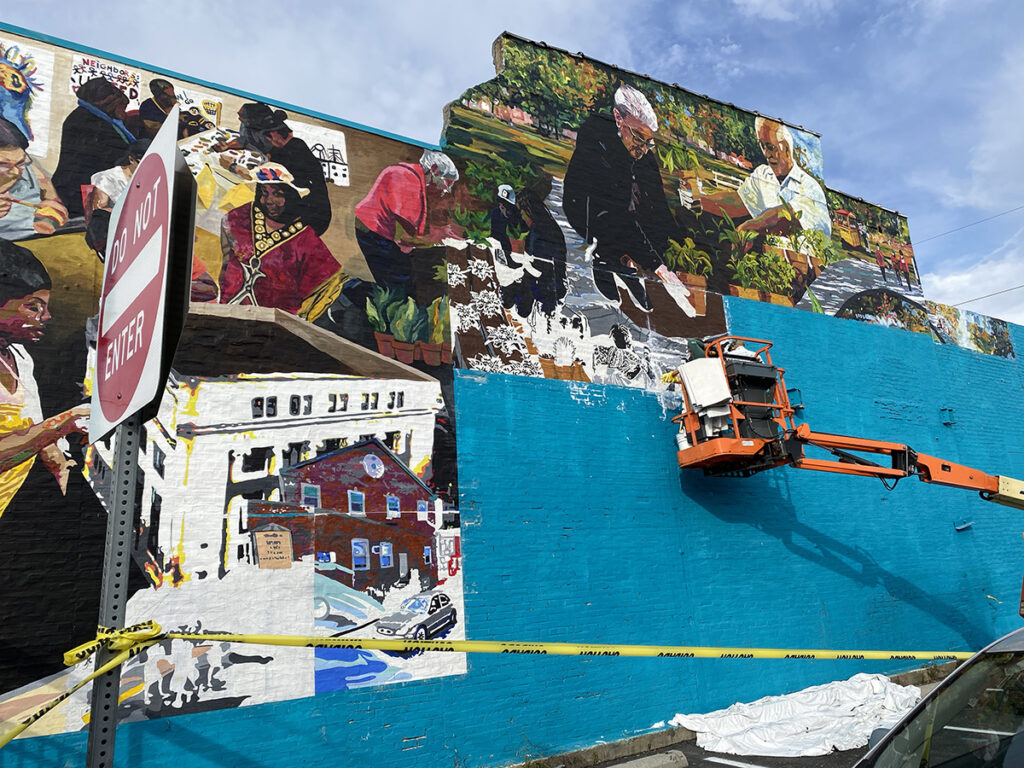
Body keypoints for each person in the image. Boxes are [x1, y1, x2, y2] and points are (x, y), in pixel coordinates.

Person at [562, 84, 683, 310]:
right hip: (586, 208)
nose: (643, 148)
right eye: (638, 138)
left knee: (637, 222)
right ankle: (604, 259)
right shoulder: (599, 145)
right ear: (618, 118)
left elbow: (658, 205)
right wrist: (657, 265)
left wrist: (670, 248)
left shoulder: (644, 154)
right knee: (611, 230)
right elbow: (616, 214)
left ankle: (624, 265)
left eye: (649, 142)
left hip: (622, 216)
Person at [0, 239, 89, 517]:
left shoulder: (20, 359)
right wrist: (64, 423)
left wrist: (61, 466)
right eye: (33, 307)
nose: (46, 317)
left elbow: (36, 428)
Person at [219, 163, 341, 318]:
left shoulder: (307, 243)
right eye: (264, 192)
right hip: (229, 313)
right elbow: (225, 265)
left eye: (277, 194)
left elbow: (321, 292)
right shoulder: (238, 219)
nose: (269, 200)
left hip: (273, 325)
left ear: (293, 196)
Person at [689, 117, 831, 243]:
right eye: (763, 146)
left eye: (770, 147)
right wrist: (698, 200)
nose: (767, 154)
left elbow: (788, 216)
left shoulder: (810, 187)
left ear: (786, 148)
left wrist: (749, 228)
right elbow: (739, 201)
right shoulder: (763, 174)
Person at [214, 103, 331, 236]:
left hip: (307, 220)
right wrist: (228, 146)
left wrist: (232, 166)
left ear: (274, 135)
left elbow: (257, 175)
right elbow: (245, 141)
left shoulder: (292, 152)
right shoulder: (277, 148)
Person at [353, 149, 459, 294]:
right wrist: (441, 238)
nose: (448, 190)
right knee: (398, 280)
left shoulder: (414, 177)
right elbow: (407, 233)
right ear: (434, 169)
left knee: (393, 276)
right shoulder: (407, 178)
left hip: (374, 229)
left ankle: (353, 292)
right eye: (448, 182)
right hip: (373, 230)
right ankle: (349, 291)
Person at [51, 77, 135, 218]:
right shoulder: (89, 122)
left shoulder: (98, 119)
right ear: (108, 103)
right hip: (76, 194)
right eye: (121, 106)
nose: (124, 113)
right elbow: (113, 153)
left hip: (79, 190)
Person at [0, 118, 67, 239]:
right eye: (3, 165)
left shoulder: (31, 172)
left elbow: (53, 203)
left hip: (35, 243)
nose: (16, 172)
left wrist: (53, 215)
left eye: (20, 163)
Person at [87, 139, 151, 213]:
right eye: (143, 163)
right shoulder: (106, 178)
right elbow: (99, 210)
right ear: (131, 160)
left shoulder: (152, 176)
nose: (148, 167)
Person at [489, 184, 524, 257]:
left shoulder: (516, 213)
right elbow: (495, 233)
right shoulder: (495, 213)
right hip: (501, 244)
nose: (503, 206)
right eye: (502, 205)